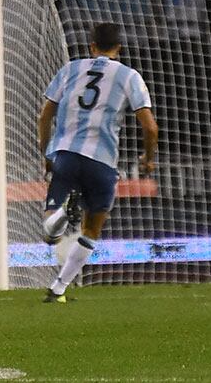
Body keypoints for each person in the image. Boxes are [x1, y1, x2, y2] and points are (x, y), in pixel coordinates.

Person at [39, 23, 158, 302]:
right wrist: (148, 159)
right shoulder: (129, 76)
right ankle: (58, 288)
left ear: (91, 46)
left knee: (51, 219)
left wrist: (47, 153)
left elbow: (44, 116)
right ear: (119, 48)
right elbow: (150, 127)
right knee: (92, 229)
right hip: (102, 162)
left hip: (65, 154)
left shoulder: (70, 69)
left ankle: (56, 220)